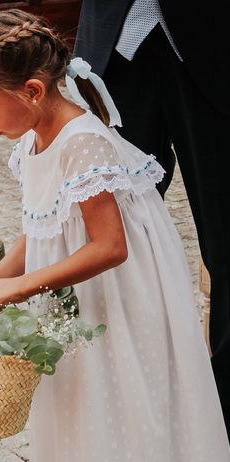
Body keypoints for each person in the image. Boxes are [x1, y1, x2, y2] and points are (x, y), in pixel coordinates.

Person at [0, 9, 230, 462]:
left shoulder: (83, 143)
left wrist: (23, 288)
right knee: (79, 403)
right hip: (77, 301)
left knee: (120, 400)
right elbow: (39, 230)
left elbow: (110, 248)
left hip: (114, 302)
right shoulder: (34, 140)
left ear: (33, 91)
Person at [73, 1, 230, 438]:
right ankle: (130, 404)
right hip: (113, 49)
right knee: (112, 241)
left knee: (226, 241)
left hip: (215, 45)